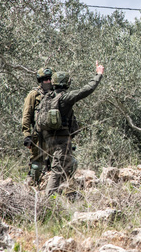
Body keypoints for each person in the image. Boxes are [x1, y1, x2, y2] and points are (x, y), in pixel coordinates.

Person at [42, 61, 104, 196]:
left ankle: (66, 194)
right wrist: (98, 75)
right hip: (62, 140)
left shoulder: (47, 97)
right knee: (57, 170)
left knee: (69, 165)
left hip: (48, 139)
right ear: (66, 83)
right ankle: (47, 202)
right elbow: (86, 90)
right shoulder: (65, 98)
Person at [21, 67, 53, 186]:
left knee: (55, 164)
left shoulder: (55, 94)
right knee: (36, 165)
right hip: (37, 135)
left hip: (53, 136)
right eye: (45, 79)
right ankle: (31, 188)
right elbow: (26, 115)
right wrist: (27, 135)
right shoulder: (34, 95)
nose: (48, 81)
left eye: (49, 79)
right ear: (40, 80)